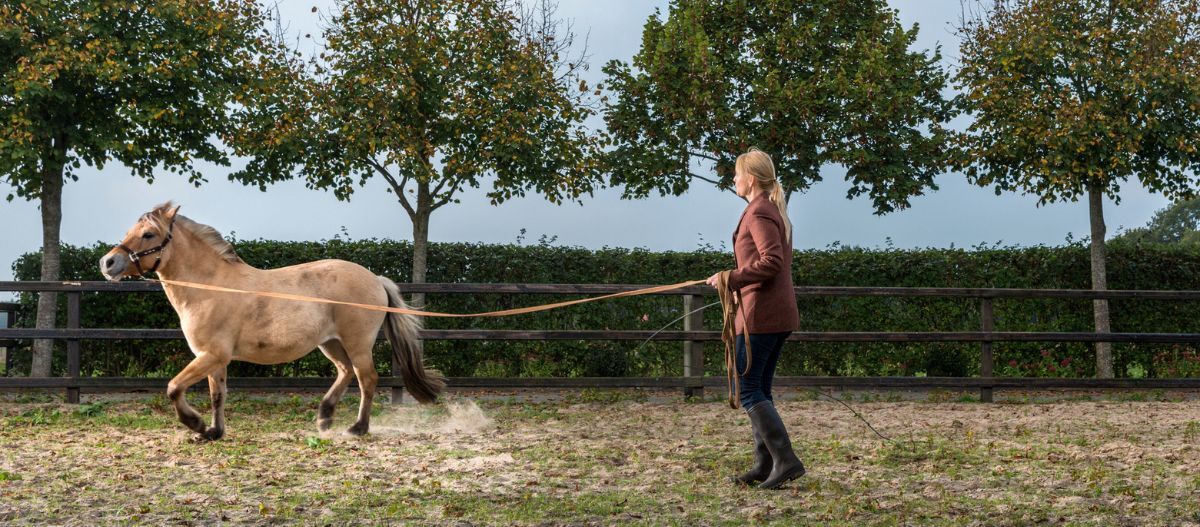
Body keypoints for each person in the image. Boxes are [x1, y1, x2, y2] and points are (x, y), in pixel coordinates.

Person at [705, 148, 804, 489]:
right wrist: (728, 279)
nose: (733, 179)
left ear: (751, 178)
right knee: (759, 388)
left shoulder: (759, 211)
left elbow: (771, 261)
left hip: (761, 316)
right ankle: (766, 464)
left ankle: (786, 460)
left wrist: (730, 278)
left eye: (736, 173)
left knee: (749, 391)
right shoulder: (768, 209)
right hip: (774, 315)